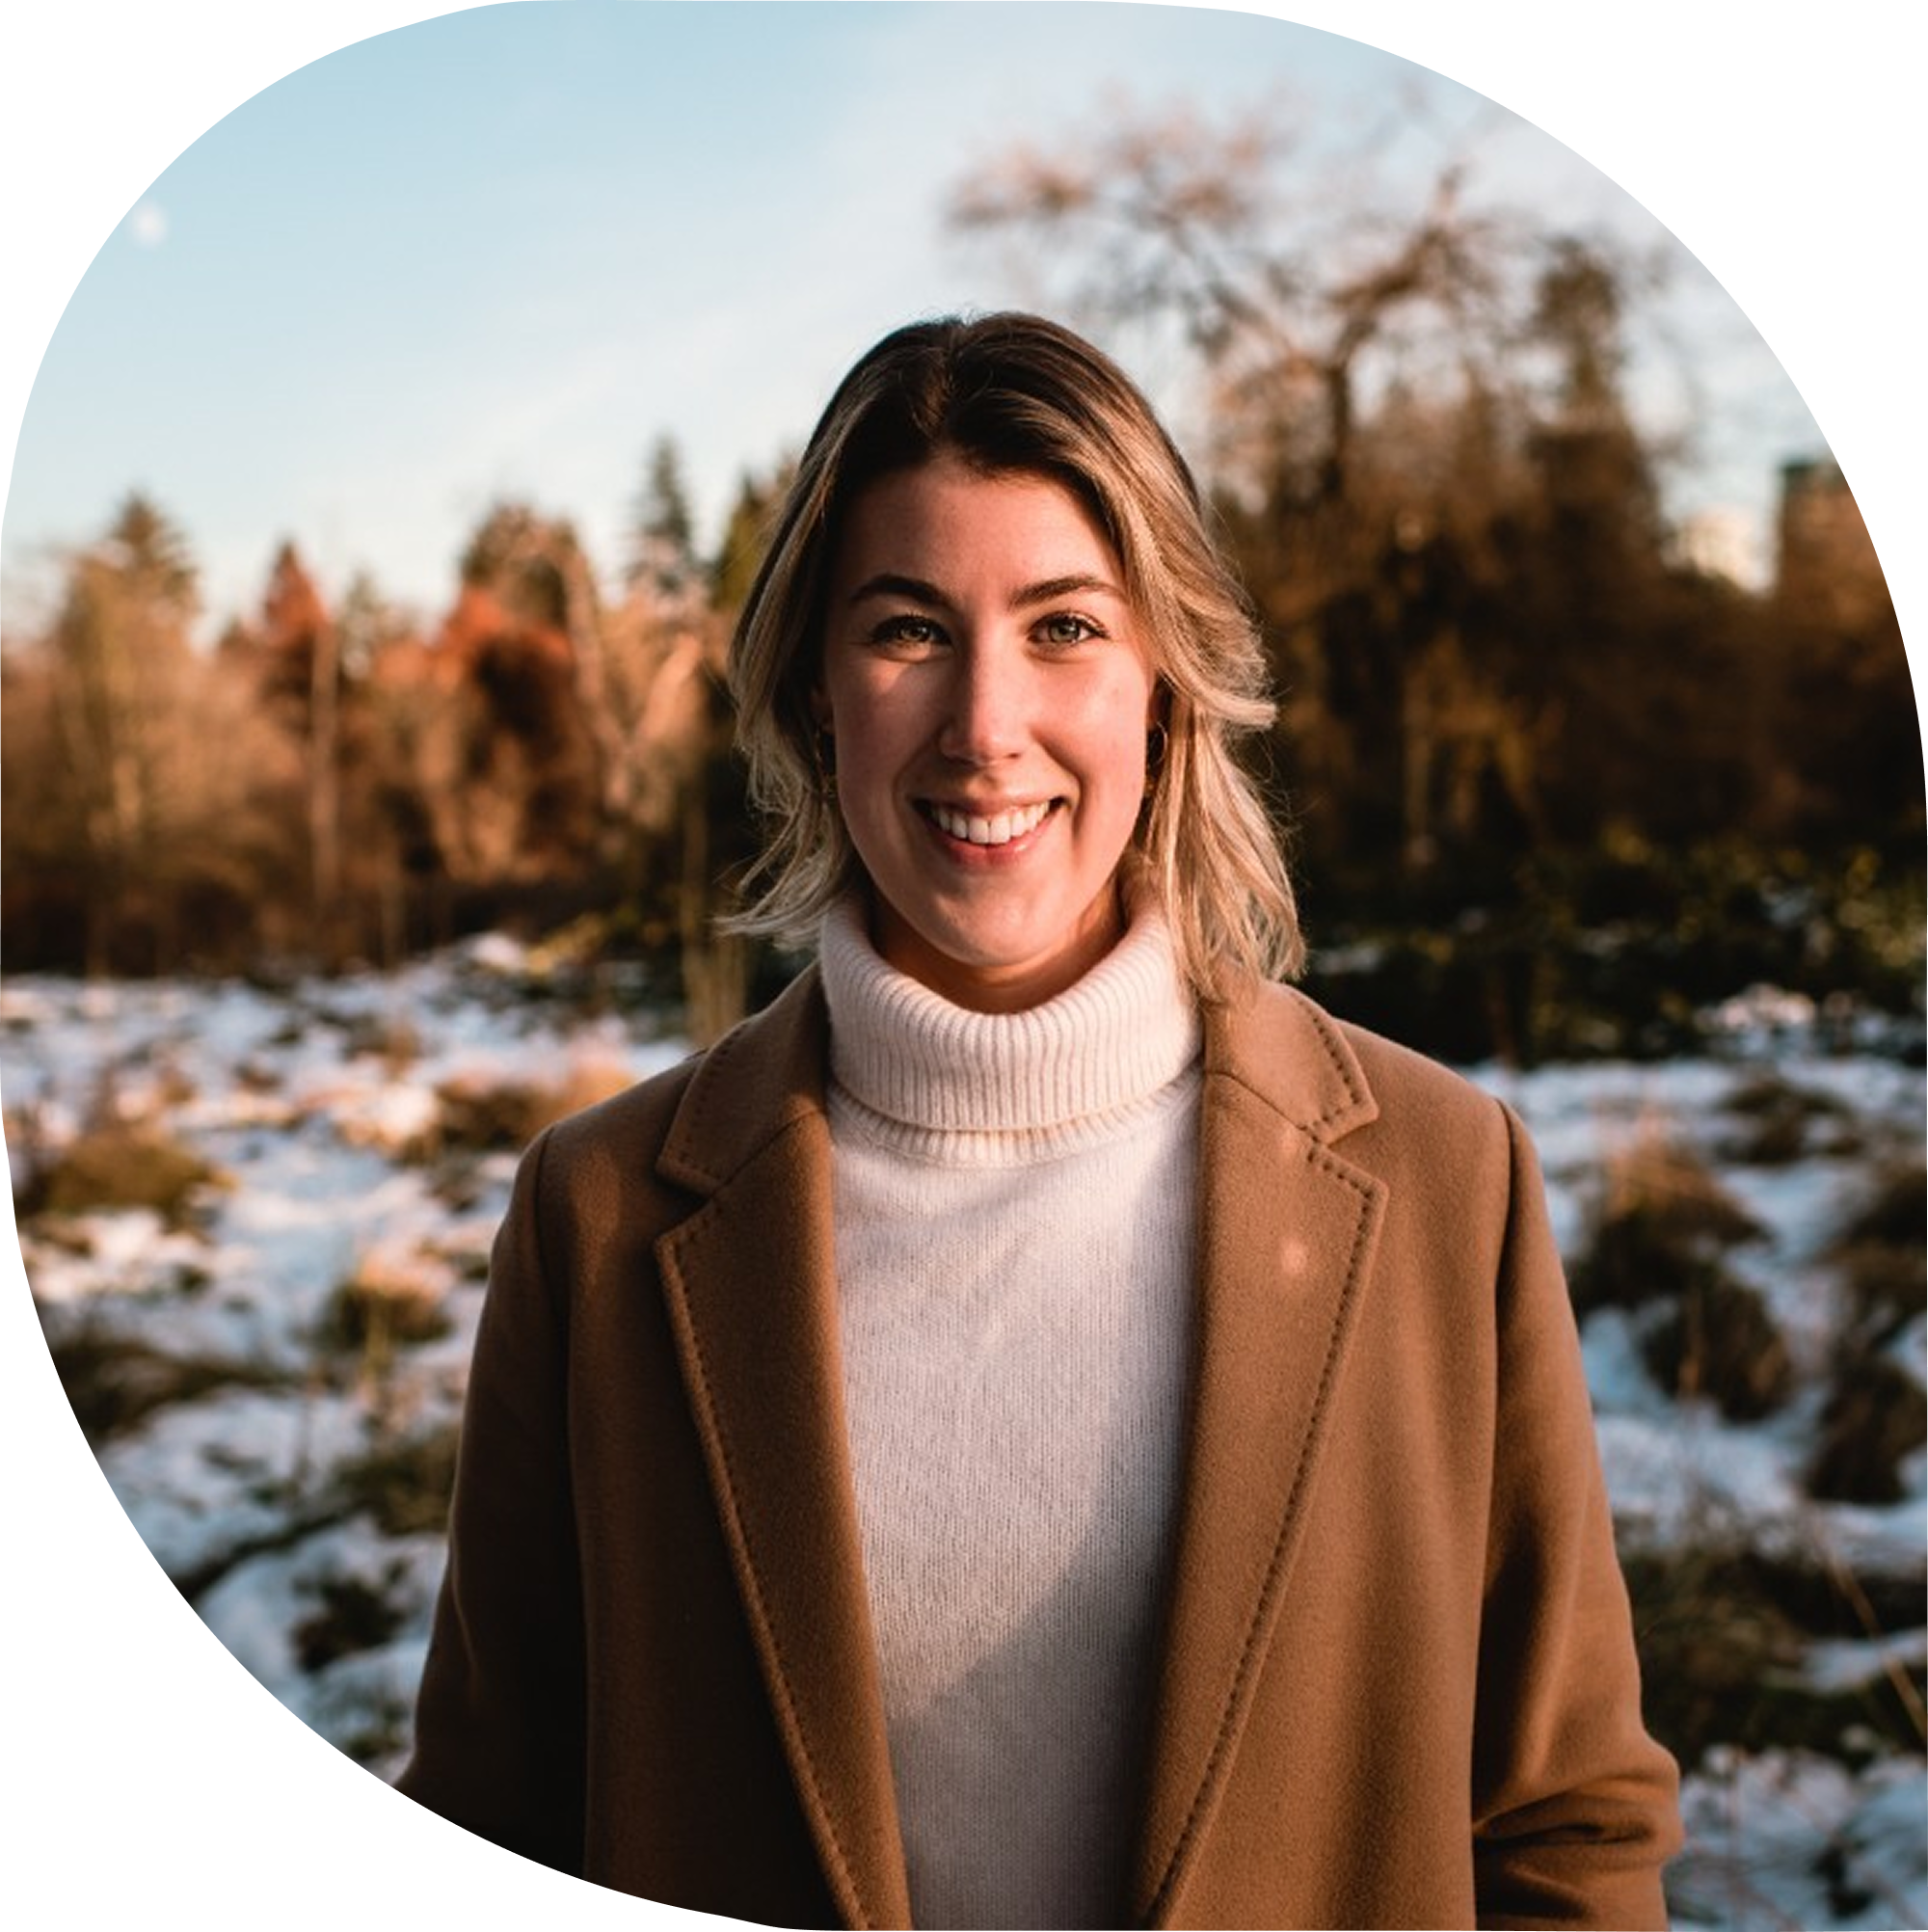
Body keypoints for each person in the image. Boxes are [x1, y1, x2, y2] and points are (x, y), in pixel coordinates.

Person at [397, 311, 1682, 1927]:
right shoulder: (596, 1222)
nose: (985, 724)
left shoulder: (1445, 1182)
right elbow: (491, 1842)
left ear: (1165, 685)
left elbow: (1564, 1827)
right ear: (815, 692)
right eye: (908, 630)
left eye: (1065, 625)